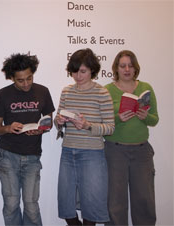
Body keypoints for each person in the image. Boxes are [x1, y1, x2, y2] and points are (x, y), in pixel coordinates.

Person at [0, 53, 55, 226]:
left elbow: (48, 121)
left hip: (33, 155)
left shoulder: (43, 91)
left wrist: (41, 129)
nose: (26, 83)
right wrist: (8, 128)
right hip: (8, 156)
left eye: (29, 78)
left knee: (31, 206)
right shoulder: (3, 94)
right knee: (11, 205)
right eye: (21, 80)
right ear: (12, 77)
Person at [54, 48, 115, 225]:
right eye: (74, 71)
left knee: (92, 206)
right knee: (66, 205)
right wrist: (59, 121)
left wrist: (87, 125)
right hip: (68, 151)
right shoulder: (67, 91)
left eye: (83, 71)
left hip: (92, 154)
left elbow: (110, 128)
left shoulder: (101, 93)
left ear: (92, 71)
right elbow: (59, 124)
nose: (78, 76)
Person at [104, 50, 159, 226]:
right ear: (116, 68)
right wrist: (119, 118)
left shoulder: (146, 88)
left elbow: (155, 119)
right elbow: (102, 125)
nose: (127, 69)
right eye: (123, 66)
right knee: (115, 203)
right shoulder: (107, 91)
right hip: (115, 151)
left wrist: (145, 117)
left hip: (142, 152)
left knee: (144, 201)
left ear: (135, 68)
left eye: (130, 65)